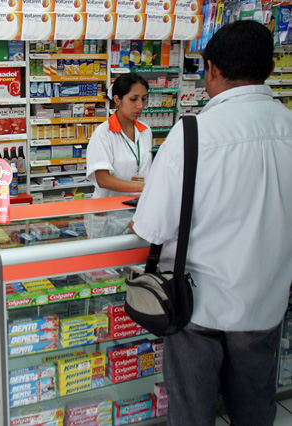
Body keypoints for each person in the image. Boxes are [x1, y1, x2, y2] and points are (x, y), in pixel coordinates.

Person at [132, 21, 292, 426]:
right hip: (266, 304)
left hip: (198, 306)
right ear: (270, 69)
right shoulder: (289, 128)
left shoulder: (192, 134)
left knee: (192, 412)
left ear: (212, 69)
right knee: (255, 410)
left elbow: (150, 228)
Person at [86, 73, 152, 198]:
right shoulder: (103, 134)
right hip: (110, 206)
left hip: (140, 202)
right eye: (133, 99)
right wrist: (143, 187)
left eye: (143, 99)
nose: (140, 105)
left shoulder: (146, 130)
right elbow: (103, 179)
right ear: (117, 100)